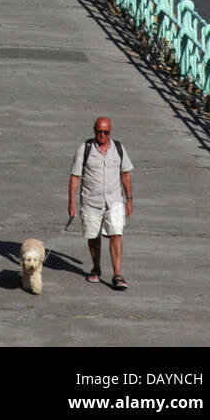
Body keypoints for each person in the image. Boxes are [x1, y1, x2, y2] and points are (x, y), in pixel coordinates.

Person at [68, 116, 134, 290]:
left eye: (106, 132)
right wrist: (71, 202)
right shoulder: (85, 149)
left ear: (110, 132)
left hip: (114, 201)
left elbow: (126, 174)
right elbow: (75, 177)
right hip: (91, 200)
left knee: (116, 234)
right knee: (93, 236)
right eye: (99, 132)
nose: (102, 135)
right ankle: (96, 267)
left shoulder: (118, 148)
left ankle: (117, 274)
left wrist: (129, 199)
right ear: (94, 131)